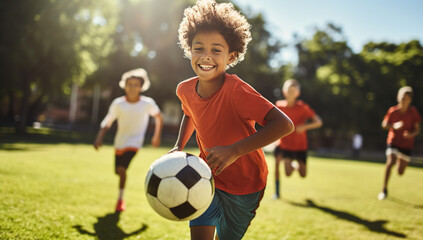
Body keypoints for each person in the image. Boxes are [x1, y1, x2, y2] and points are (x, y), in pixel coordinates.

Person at [172, 1, 294, 239]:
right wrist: (178, 146)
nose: (206, 56)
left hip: (247, 184)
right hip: (207, 176)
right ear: (189, 50)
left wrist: (235, 150)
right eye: (199, 48)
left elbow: (284, 125)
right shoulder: (184, 90)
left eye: (216, 50)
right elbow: (190, 113)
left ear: (231, 56)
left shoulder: (237, 90)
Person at [94, 68, 163, 212]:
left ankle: (120, 200)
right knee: (118, 171)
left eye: (136, 85)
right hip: (120, 142)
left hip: (135, 143)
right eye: (129, 84)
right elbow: (107, 122)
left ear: (141, 87)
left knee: (122, 169)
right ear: (124, 86)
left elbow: (158, 117)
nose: (132, 88)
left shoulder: (147, 103)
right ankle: (121, 196)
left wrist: (156, 136)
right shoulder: (118, 104)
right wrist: (99, 138)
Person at [273, 79, 322, 199]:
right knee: (287, 172)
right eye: (289, 90)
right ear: (284, 92)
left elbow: (319, 122)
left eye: (293, 91)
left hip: (301, 145)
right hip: (286, 145)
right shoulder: (278, 106)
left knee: (303, 174)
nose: (290, 93)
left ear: (297, 93)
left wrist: (304, 126)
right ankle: (277, 193)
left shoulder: (303, 107)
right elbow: (272, 123)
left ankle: (296, 165)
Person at [378, 86, 421, 200]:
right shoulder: (393, 111)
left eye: (406, 98)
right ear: (398, 97)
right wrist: (393, 126)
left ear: (410, 100)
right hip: (393, 141)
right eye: (402, 97)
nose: (403, 100)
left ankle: (399, 160)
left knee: (400, 172)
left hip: (406, 144)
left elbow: (417, 129)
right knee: (390, 161)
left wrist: (410, 134)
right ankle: (384, 189)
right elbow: (384, 124)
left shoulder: (413, 113)